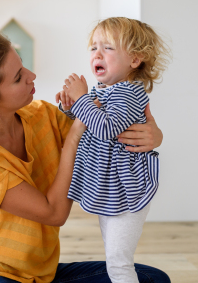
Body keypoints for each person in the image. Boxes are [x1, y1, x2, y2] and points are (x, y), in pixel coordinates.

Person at [0, 32, 170, 283]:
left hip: (43, 275)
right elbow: (54, 213)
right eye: (18, 78)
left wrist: (153, 135)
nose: (32, 77)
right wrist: (72, 139)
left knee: (152, 279)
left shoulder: (41, 114)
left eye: (23, 66)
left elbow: (106, 136)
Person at [56, 17, 170, 283]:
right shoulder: (106, 91)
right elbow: (88, 124)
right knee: (114, 260)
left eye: (108, 48)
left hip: (127, 191)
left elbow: (105, 128)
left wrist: (82, 99)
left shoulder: (128, 93)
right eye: (94, 47)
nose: (97, 53)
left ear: (134, 60)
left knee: (119, 264)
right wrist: (69, 108)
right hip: (111, 189)